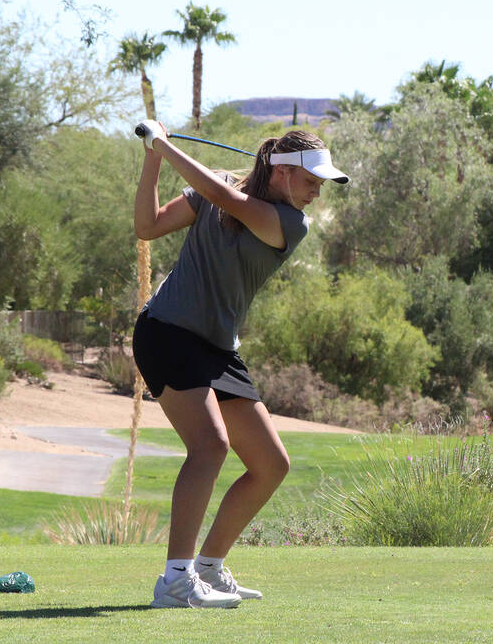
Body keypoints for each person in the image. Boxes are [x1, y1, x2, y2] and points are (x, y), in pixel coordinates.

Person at [131, 119, 348, 609]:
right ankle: (175, 581)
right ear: (282, 172)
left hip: (217, 349)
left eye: (321, 184)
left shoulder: (291, 223)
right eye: (311, 181)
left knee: (271, 464)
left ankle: (209, 567)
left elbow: (229, 201)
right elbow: (147, 227)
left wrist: (165, 147)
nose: (317, 193)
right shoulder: (221, 186)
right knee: (210, 447)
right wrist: (152, 159)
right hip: (167, 331)